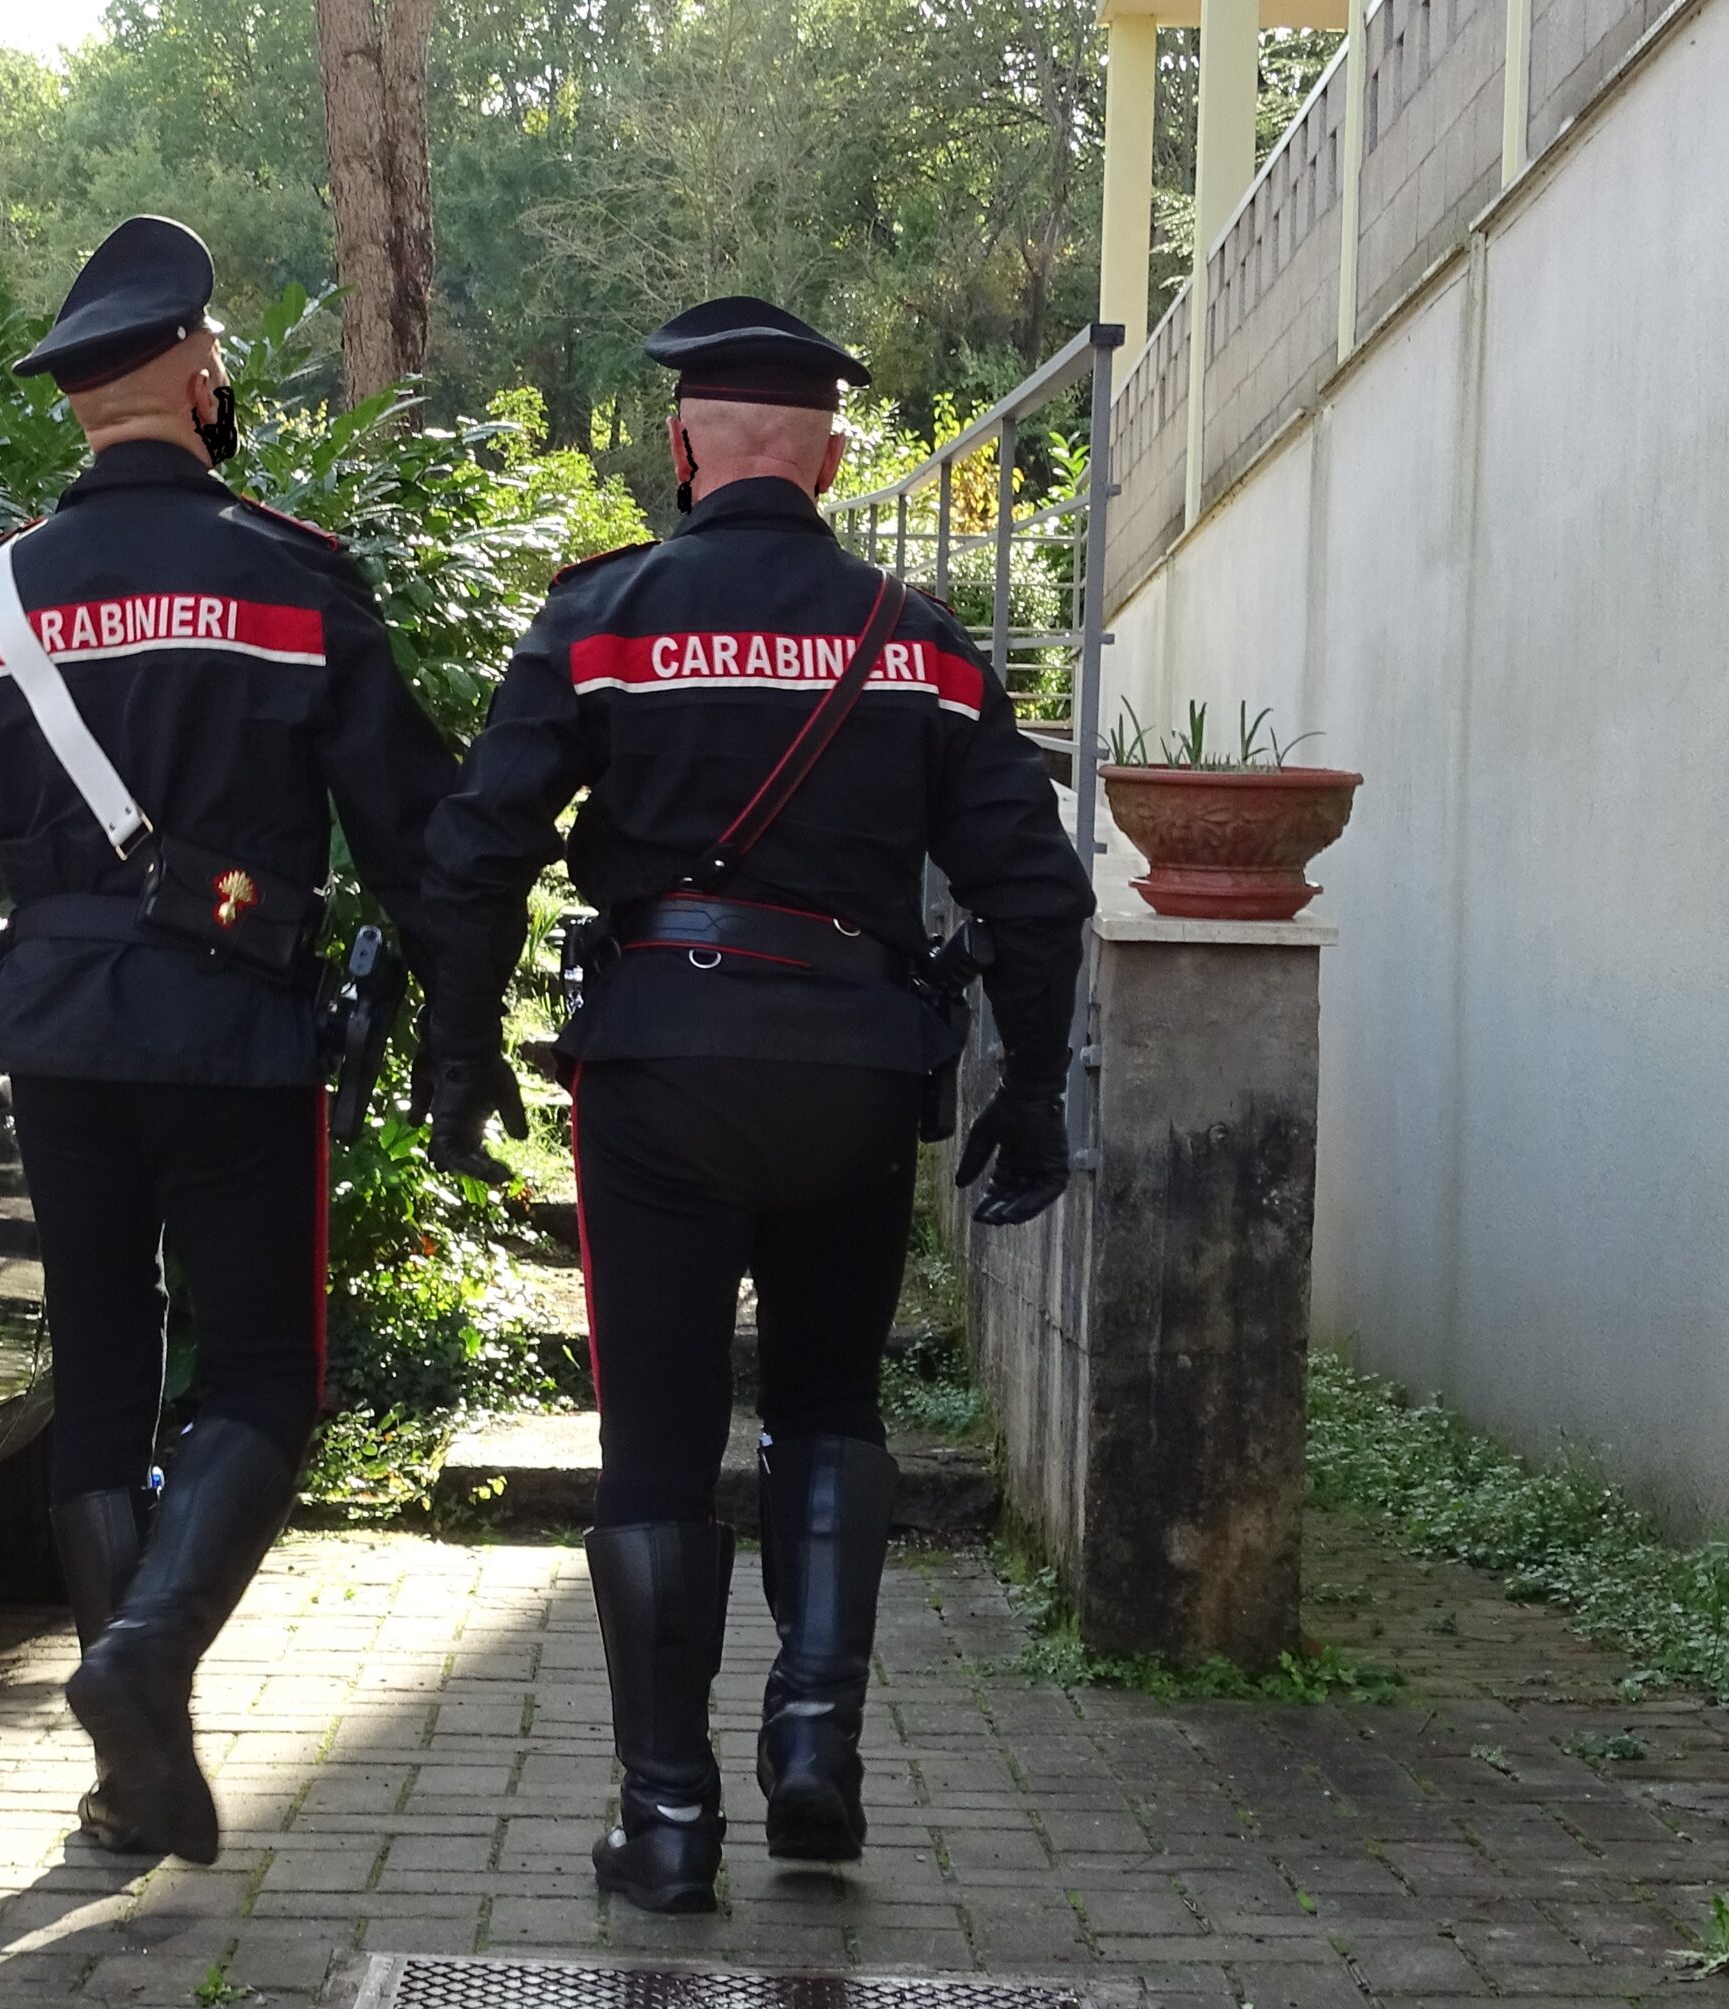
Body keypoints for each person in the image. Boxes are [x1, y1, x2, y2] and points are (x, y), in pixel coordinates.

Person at [420, 296, 1095, 1913]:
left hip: (659, 1072)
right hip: (855, 1083)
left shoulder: (601, 618)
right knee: (830, 1407)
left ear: (683, 449)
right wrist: (1038, 1089)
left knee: (655, 1449)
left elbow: (473, 853)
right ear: (833, 455)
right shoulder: (920, 644)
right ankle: (816, 1741)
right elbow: (1037, 887)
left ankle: (668, 1823)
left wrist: (457, 1059)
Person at [0, 215, 457, 1867]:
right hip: (238, 1036)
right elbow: (414, 834)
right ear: (202, 374)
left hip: (56, 1045)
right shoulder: (290, 577)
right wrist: (457, 1016)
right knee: (267, 1369)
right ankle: (145, 1662)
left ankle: (135, 1775)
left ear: (78, 403)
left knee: (102, 1379)